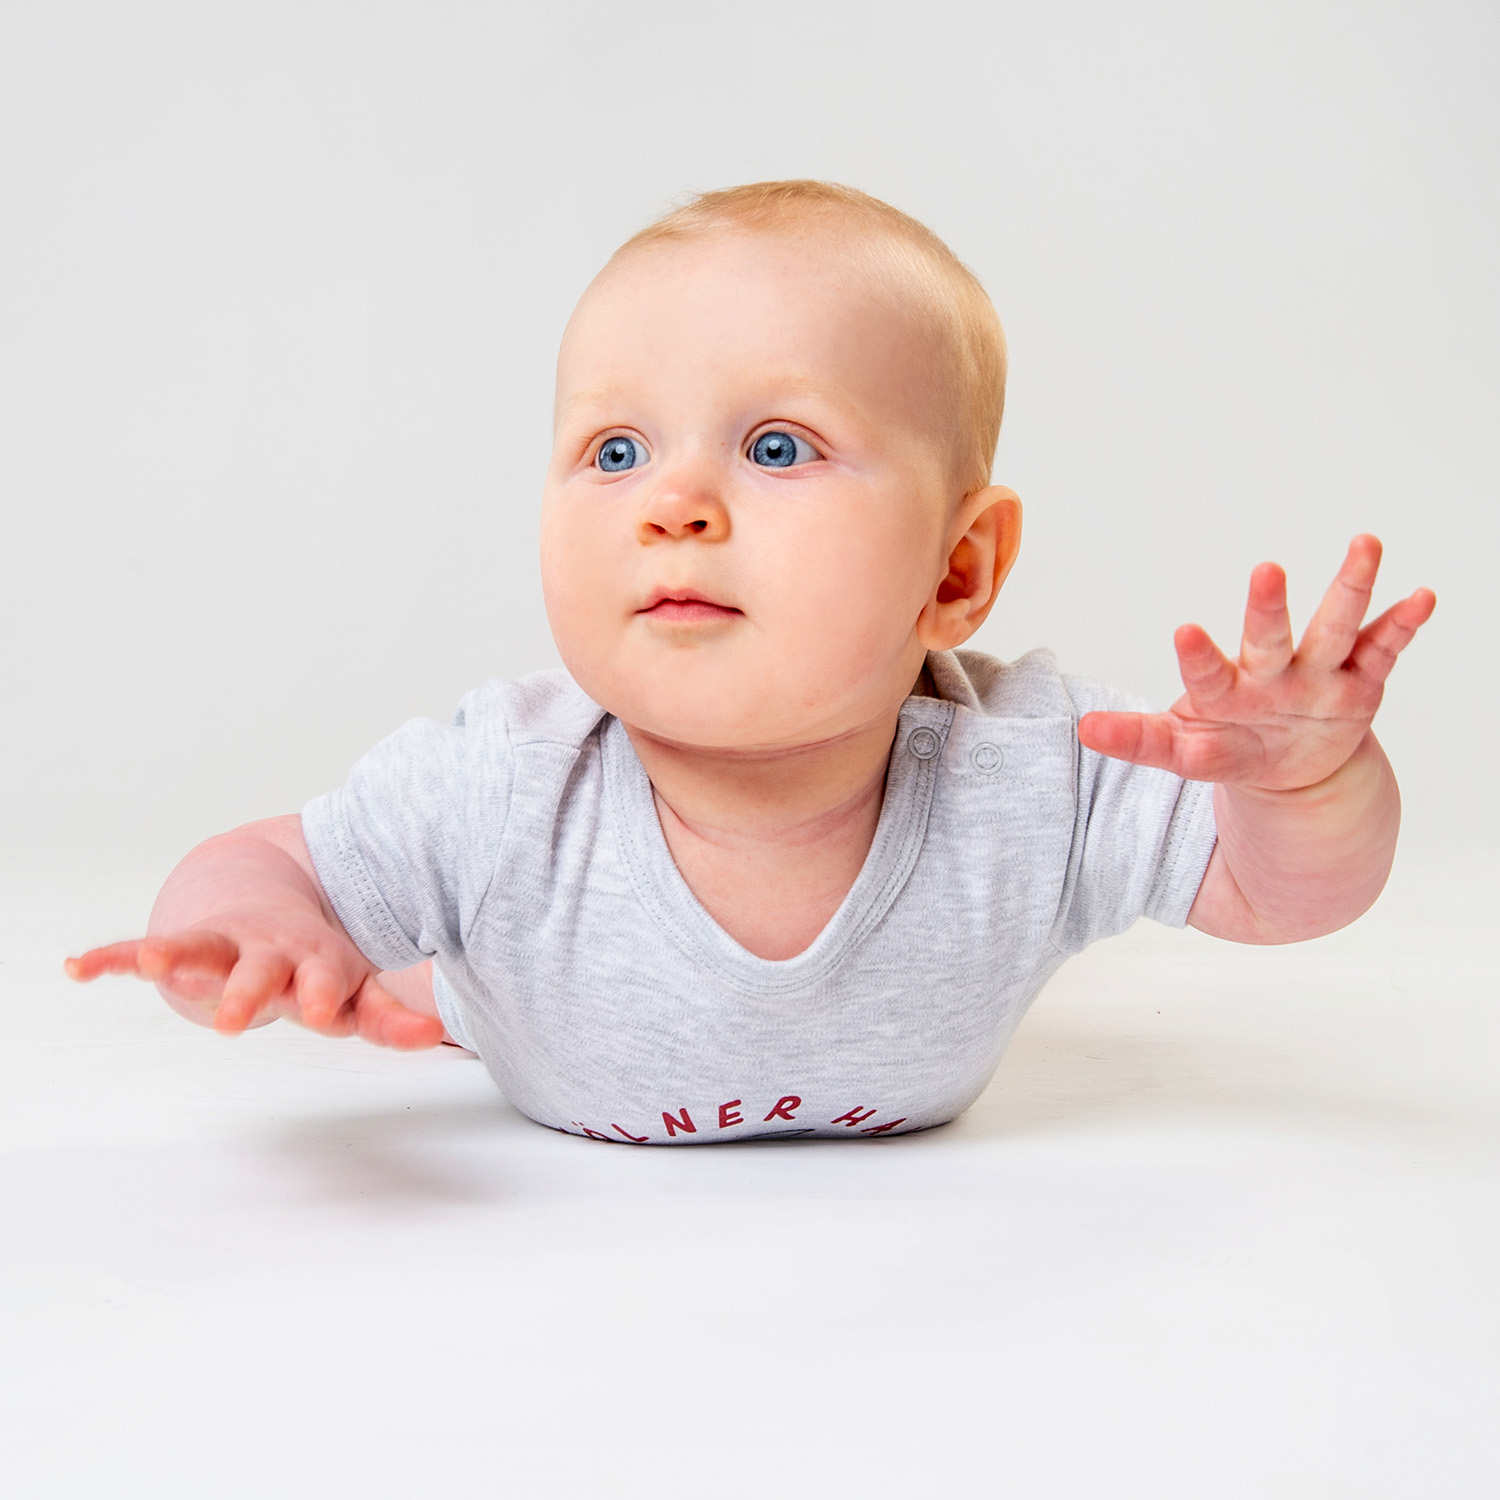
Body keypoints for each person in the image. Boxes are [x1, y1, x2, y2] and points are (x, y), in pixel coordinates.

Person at [65, 181, 1435, 1145]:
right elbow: (276, 862)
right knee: (444, 978)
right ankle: (457, 982)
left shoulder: (1034, 770)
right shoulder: (505, 786)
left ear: (955, 573)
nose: (675, 503)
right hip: (518, 1026)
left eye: (777, 446)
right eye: (615, 450)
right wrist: (261, 931)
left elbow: (1280, 892)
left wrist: (1305, 787)